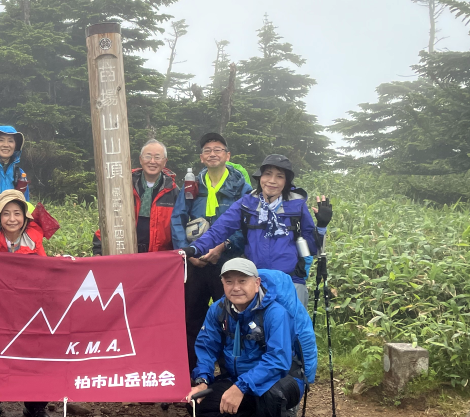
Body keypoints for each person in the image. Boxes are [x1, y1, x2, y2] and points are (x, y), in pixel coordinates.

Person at [185, 258, 304, 417]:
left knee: (270, 393)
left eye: (243, 281)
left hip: (283, 379)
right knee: (197, 404)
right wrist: (202, 380)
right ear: (222, 284)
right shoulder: (219, 310)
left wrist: (240, 388)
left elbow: (278, 360)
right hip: (239, 379)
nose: (236, 287)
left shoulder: (275, 313)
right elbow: (206, 346)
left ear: (256, 283)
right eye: (229, 281)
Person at [180, 154, 331, 305]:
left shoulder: (297, 206)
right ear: (260, 177)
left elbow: (312, 247)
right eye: (268, 174)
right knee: (254, 328)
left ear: (286, 182)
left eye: (279, 176)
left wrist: (322, 225)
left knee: (291, 328)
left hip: (290, 282)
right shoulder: (247, 204)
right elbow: (219, 230)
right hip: (254, 283)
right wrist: (194, 249)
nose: (272, 181)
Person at [170, 133, 252, 370]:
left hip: (228, 264)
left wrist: (222, 247)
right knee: (191, 318)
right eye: (207, 150)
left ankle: (230, 374)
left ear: (228, 155)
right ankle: (193, 375)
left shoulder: (242, 188)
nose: (213, 153)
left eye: (218, 149)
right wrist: (186, 253)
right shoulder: (191, 186)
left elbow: (246, 225)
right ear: (201, 157)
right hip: (194, 265)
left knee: (229, 317)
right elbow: (178, 219)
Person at [0, 189, 50, 417]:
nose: (12, 219)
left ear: (25, 217)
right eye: (6, 213)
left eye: (17, 213)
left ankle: (36, 405)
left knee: (34, 354)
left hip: (30, 308)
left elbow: (45, 272)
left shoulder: (35, 238)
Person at [92, 139, 180, 255]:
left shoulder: (173, 191)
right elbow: (110, 218)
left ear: (164, 162)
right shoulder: (124, 186)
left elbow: (179, 227)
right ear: (140, 159)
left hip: (159, 258)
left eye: (157, 157)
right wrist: (99, 247)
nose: (152, 161)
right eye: (148, 156)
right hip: (127, 254)